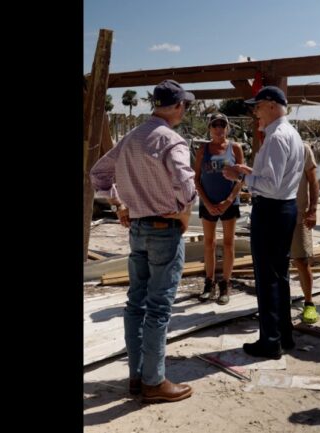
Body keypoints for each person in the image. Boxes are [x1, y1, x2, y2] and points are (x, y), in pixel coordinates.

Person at [89, 79, 196, 403]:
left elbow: (98, 173)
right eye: (185, 106)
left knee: (136, 303)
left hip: (137, 230)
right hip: (164, 229)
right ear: (178, 106)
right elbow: (186, 187)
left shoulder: (132, 137)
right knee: (159, 308)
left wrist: (120, 204)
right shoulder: (173, 141)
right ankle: (154, 381)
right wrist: (183, 211)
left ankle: (137, 377)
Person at [223, 86, 304, 359]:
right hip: (284, 207)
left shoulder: (276, 137)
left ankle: (270, 341)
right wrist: (250, 173)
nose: (254, 112)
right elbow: (277, 179)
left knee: (267, 278)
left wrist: (240, 176)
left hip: (271, 210)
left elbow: (269, 185)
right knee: (279, 275)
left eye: (256, 107)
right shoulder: (290, 133)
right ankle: (284, 333)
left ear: (270, 105)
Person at [194, 113, 244, 305]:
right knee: (209, 243)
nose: (219, 128)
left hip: (229, 203)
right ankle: (209, 282)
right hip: (209, 202)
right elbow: (196, 179)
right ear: (210, 128)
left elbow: (241, 178)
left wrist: (229, 200)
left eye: (222, 124)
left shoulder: (235, 148)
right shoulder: (202, 150)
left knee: (229, 243)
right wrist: (206, 202)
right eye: (215, 125)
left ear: (227, 127)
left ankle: (226, 283)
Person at [291, 142, 320, 324]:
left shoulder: (302, 148)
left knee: (301, 260)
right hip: (276, 216)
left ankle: (309, 302)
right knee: (276, 262)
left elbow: (313, 179)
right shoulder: (269, 145)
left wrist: (313, 209)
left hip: (298, 214)